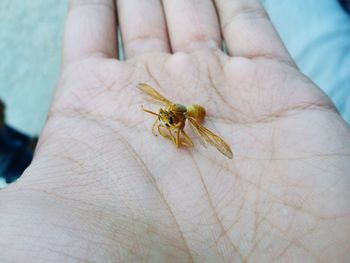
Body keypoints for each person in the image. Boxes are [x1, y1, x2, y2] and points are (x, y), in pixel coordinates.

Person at [0, 0, 349, 262]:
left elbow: (190, 139)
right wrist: (164, 122)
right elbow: (159, 112)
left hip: (200, 113)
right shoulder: (167, 112)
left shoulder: (190, 123)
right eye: (169, 121)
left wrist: (180, 134)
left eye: (170, 121)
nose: (167, 123)